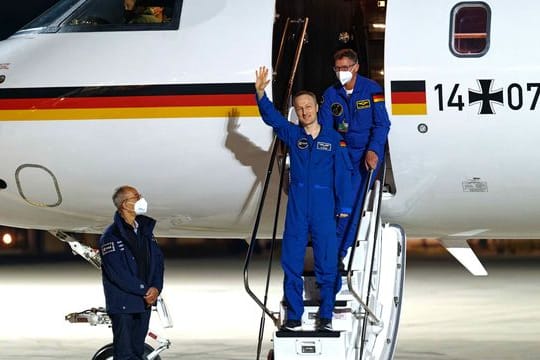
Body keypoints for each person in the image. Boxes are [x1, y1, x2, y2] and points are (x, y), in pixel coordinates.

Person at [255, 66, 353, 331]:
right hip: (298, 208)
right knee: (291, 263)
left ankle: (326, 316)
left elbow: (343, 174)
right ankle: (294, 316)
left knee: (327, 265)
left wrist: (344, 207)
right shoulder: (293, 134)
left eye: (308, 106)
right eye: (299, 108)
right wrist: (261, 94)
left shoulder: (333, 139)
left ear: (316, 108)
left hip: (324, 208)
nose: (304, 112)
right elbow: (272, 119)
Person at [319, 48, 391, 267]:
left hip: (363, 157)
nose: (342, 72)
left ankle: (338, 253)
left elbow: (382, 124)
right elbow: (324, 128)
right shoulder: (330, 94)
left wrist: (374, 150)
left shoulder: (371, 90)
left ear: (356, 67)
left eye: (346, 68)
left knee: (350, 205)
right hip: (340, 156)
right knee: (337, 205)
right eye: (338, 68)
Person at [99, 185, 164, 359]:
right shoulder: (111, 236)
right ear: (125, 204)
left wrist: (156, 288)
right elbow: (118, 274)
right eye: (136, 196)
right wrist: (145, 290)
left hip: (144, 303)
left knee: (137, 353)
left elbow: (158, 262)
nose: (141, 199)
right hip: (124, 305)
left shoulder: (145, 231)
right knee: (125, 354)